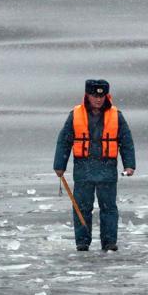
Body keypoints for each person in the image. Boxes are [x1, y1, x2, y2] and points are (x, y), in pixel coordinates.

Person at [54, 79, 135, 251]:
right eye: (94, 96)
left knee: (109, 208)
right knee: (82, 208)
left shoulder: (116, 115)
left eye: (101, 96)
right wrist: (59, 164)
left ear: (106, 96)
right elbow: (64, 141)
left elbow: (126, 141)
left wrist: (129, 165)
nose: (98, 99)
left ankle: (109, 242)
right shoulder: (75, 115)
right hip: (83, 170)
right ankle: (82, 242)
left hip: (107, 169)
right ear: (87, 95)